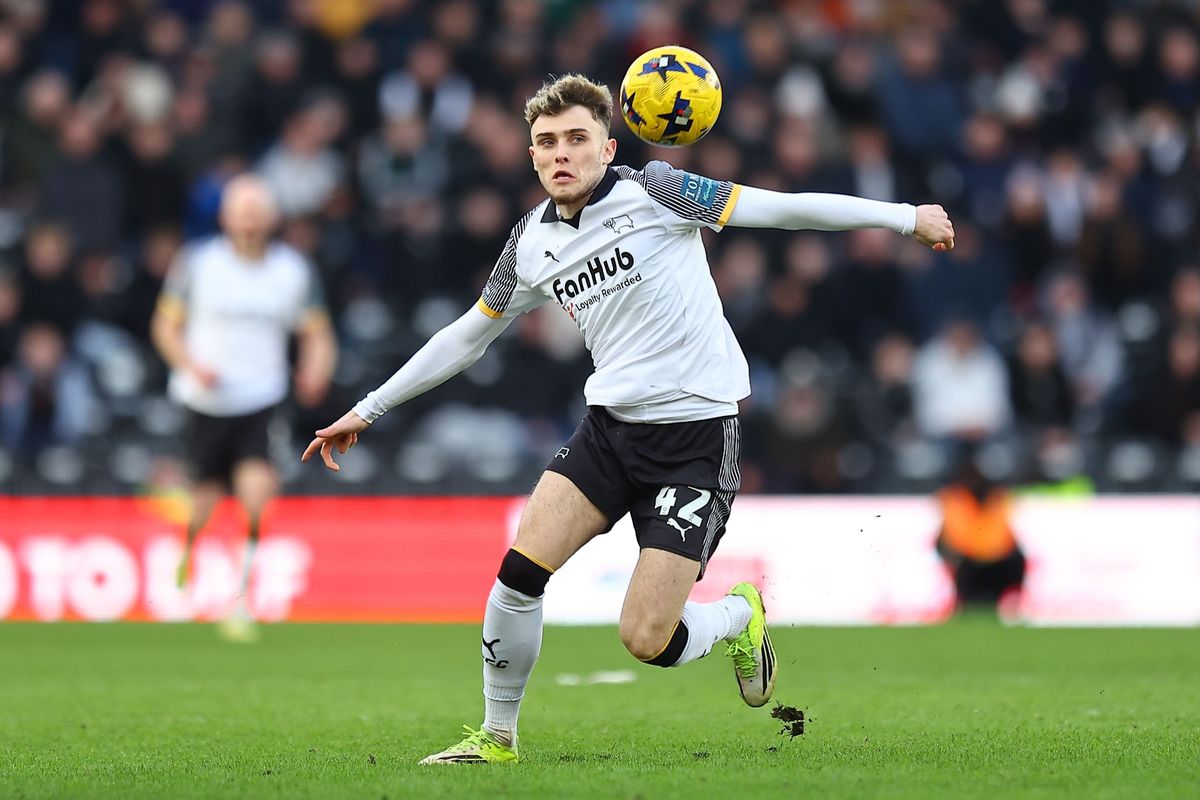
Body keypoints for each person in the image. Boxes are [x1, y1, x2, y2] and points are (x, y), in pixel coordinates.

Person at [302, 74, 955, 763]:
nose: (560, 153)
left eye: (576, 139)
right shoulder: (529, 242)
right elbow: (468, 335)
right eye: (546, 142)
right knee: (517, 576)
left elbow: (782, 209)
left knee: (647, 639)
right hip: (610, 431)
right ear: (530, 156)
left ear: (606, 147)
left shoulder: (656, 192)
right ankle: (496, 738)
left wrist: (904, 217)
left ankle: (738, 615)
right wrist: (367, 409)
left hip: (695, 438)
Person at [152, 174, 336, 641]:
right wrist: (190, 366)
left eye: (258, 209)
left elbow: (316, 331)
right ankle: (188, 550)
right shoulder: (197, 263)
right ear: (225, 216)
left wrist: (316, 370)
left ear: (272, 217)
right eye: (242, 209)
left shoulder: (292, 270)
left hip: (262, 399)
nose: (250, 218)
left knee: (256, 494)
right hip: (205, 400)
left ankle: (240, 601)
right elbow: (165, 326)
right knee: (204, 502)